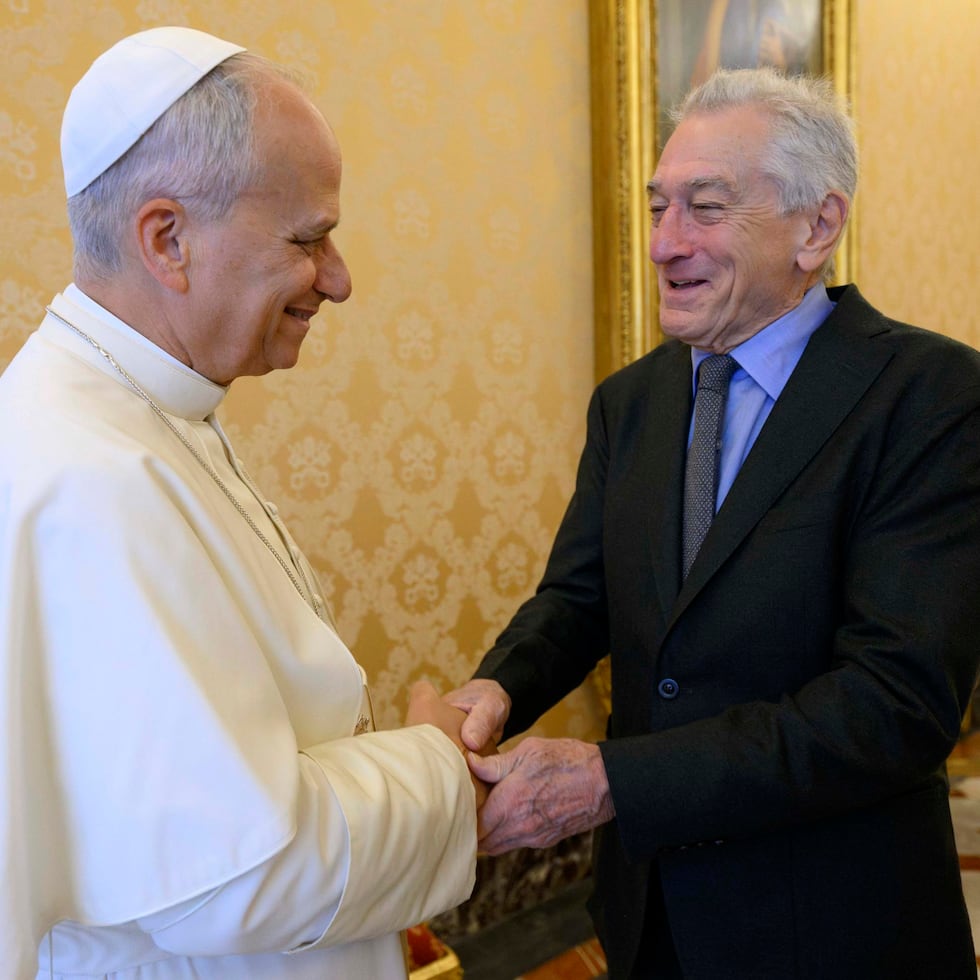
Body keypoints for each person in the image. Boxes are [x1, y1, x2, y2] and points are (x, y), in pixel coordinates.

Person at [447, 67, 980, 978]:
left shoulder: (931, 399)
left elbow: (895, 705)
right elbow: (578, 598)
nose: (663, 242)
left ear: (818, 226)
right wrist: (494, 692)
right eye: (658, 206)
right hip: (650, 916)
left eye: (703, 206)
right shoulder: (632, 402)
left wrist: (616, 781)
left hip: (835, 925)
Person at [0, 27, 481, 979]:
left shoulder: (140, 415)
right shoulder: (91, 477)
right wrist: (438, 767)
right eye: (308, 239)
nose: (338, 280)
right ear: (167, 239)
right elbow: (240, 876)